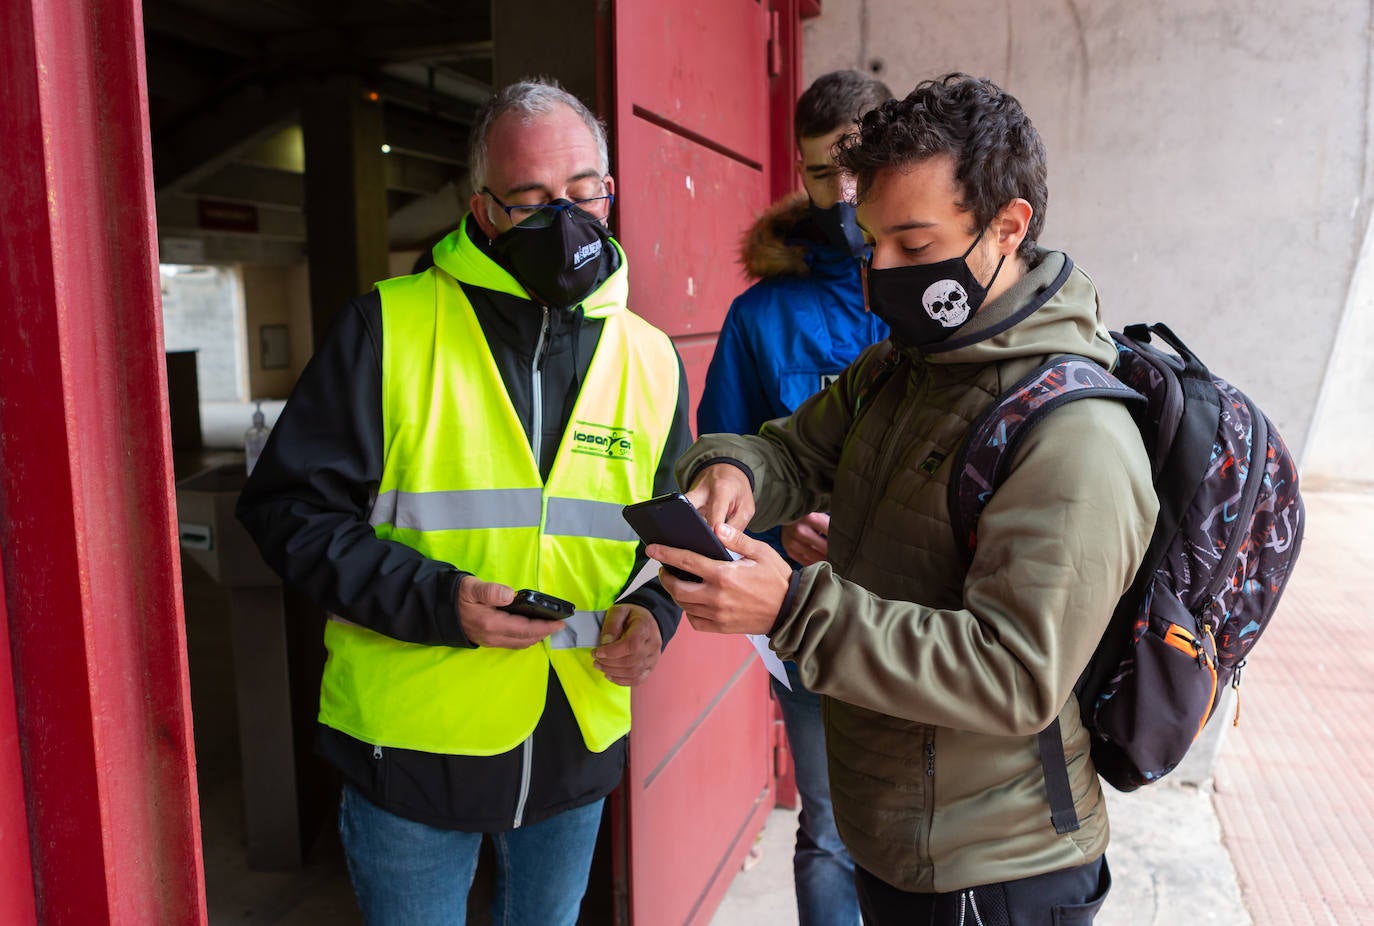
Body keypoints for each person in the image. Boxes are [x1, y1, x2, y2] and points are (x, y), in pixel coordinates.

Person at [652, 74, 1158, 924]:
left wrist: (792, 610)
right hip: (896, 837)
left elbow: (1013, 675)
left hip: (995, 868)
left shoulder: (1074, 434)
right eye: (872, 240)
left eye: (913, 245)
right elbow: (791, 450)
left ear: (1008, 227)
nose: (878, 271)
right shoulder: (903, 365)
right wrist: (732, 470)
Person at [236, 79, 691, 926]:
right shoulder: (386, 328)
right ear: (482, 209)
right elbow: (288, 512)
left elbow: (667, 536)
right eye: (532, 199)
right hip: (413, 750)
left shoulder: (653, 357)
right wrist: (438, 600)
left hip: (573, 741)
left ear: (609, 189)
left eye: (584, 190)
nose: (567, 217)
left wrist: (657, 616)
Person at [696, 69, 890, 926]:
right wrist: (781, 523)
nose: (841, 192)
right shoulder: (760, 316)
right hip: (806, 618)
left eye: (856, 165)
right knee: (832, 833)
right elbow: (725, 459)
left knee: (941, 838)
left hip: (933, 617)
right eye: (820, 172)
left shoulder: (940, 299)